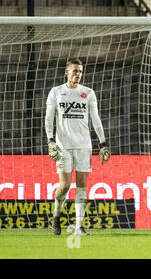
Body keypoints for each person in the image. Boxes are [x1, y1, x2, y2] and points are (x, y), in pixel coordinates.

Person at [45, 59, 111, 236]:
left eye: (80, 71)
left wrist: (103, 142)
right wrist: (50, 141)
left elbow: (95, 119)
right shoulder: (56, 92)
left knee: (82, 184)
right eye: (75, 71)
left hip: (84, 145)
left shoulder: (88, 93)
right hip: (63, 146)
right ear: (67, 72)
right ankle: (56, 215)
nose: (78, 74)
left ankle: (79, 227)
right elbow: (48, 118)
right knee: (65, 186)